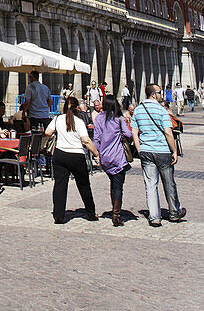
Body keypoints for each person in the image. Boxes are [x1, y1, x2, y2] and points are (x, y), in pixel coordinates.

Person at [131, 84, 186, 227]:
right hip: (162, 151)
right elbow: (168, 132)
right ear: (154, 95)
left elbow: (134, 133)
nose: (162, 94)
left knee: (150, 184)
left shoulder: (138, 110)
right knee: (169, 183)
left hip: (146, 151)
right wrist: (174, 151)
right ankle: (174, 213)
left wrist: (140, 149)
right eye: (160, 92)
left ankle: (154, 217)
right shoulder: (162, 110)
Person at [45, 95, 100, 224]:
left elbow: (47, 132)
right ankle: (91, 212)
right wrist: (96, 153)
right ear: (76, 108)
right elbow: (86, 140)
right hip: (76, 155)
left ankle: (58, 215)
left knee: (59, 185)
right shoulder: (79, 121)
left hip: (60, 154)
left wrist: (58, 133)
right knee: (84, 185)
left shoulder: (57, 119)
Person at [93, 95, 132, 226]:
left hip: (105, 158)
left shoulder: (98, 119)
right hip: (118, 157)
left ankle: (114, 209)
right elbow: (128, 134)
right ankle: (116, 214)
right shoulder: (118, 119)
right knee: (118, 186)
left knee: (113, 184)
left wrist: (97, 154)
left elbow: (96, 138)